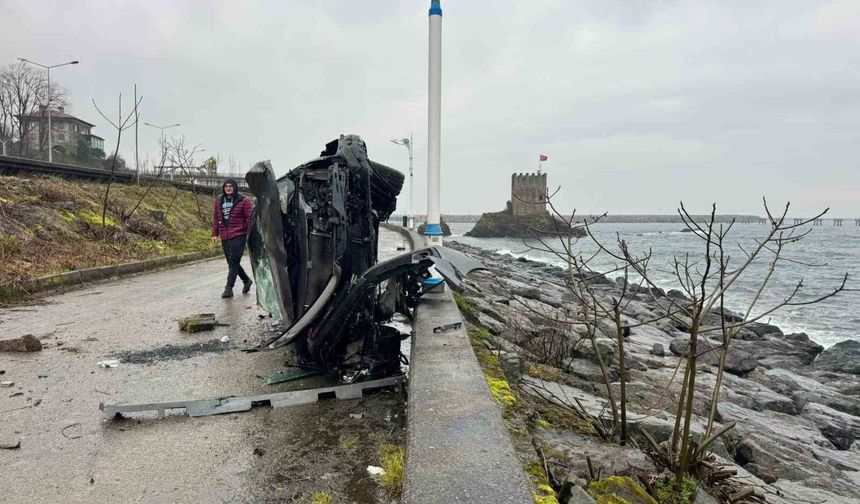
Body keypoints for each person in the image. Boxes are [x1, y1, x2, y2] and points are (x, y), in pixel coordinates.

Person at [211, 178, 253, 298]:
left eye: (230, 186)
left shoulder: (244, 201)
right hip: (225, 235)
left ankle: (229, 288)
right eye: (226, 186)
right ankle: (246, 280)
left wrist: (249, 234)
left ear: (235, 187)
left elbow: (249, 219)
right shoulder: (219, 200)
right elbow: (216, 218)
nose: (228, 188)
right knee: (231, 262)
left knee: (234, 261)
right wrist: (215, 234)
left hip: (239, 234)